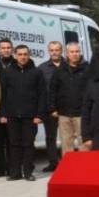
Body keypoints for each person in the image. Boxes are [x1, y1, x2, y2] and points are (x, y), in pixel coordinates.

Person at [0, 44, 46, 181]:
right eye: (20, 54)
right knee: (14, 145)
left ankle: (28, 172)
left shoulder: (37, 72)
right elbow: (2, 94)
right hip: (12, 114)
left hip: (30, 116)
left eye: (25, 54)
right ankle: (15, 173)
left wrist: (39, 115)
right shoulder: (8, 72)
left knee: (28, 144)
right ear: (15, 55)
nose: (22, 57)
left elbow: (42, 94)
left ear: (29, 55)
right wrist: (2, 113)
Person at [48, 42, 89, 156]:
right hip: (64, 113)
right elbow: (53, 90)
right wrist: (53, 108)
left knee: (84, 144)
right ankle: (68, 169)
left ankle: (86, 169)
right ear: (67, 54)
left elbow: (92, 91)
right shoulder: (60, 71)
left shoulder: (87, 70)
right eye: (72, 52)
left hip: (82, 113)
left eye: (77, 51)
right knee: (66, 144)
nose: (75, 54)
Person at [37, 41, 63, 172]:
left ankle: (69, 162)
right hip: (50, 110)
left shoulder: (69, 65)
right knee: (50, 137)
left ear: (61, 50)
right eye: (52, 50)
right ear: (49, 51)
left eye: (57, 50)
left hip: (67, 109)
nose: (54, 52)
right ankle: (53, 163)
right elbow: (40, 91)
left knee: (69, 138)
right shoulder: (42, 68)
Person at [0, 38, 15, 177]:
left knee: (12, 140)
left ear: (11, 49)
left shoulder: (17, 64)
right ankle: (0, 167)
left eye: (8, 47)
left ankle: (13, 167)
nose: (6, 50)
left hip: (13, 109)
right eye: (3, 48)